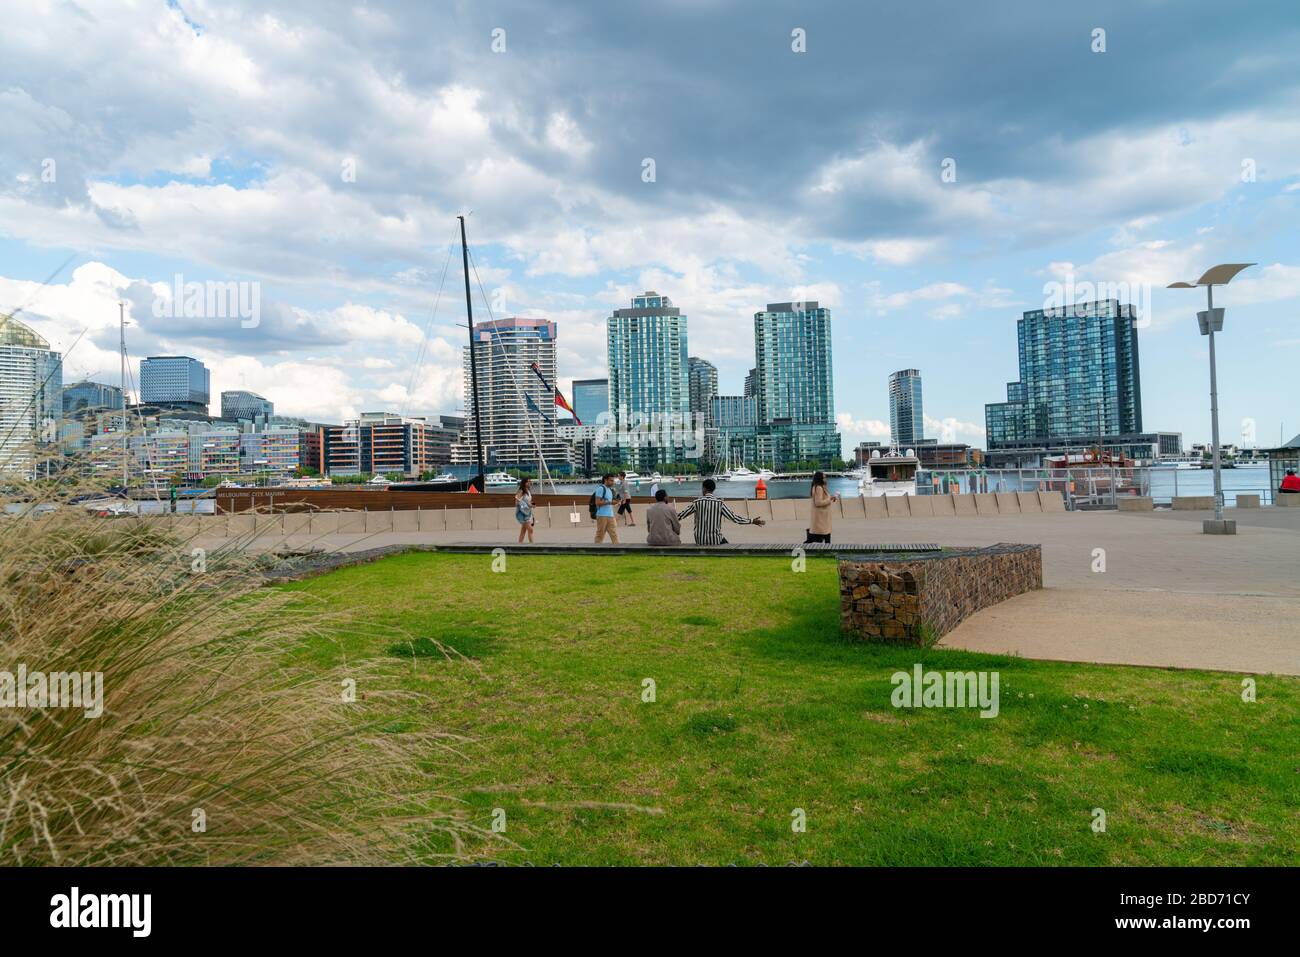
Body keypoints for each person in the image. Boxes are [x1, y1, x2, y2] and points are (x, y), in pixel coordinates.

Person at [677, 478, 765, 545]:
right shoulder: (719, 504)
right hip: (715, 540)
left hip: (700, 540)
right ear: (713, 489)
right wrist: (752, 521)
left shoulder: (696, 502)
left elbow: (681, 516)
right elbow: (735, 518)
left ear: (704, 488)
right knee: (728, 546)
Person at [805, 470, 840, 544]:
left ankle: (828, 551)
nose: (825, 479)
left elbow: (824, 499)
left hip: (823, 518)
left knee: (825, 536)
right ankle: (804, 548)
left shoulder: (821, 487)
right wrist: (829, 499)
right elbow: (818, 503)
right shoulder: (818, 488)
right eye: (824, 478)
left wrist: (831, 498)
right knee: (823, 536)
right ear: (819, 478)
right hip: (821, 518)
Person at [593, 473, 619, 544]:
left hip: (610, 515)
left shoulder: (610, 490)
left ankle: (618, 549)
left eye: (613, 480)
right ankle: (596, 550)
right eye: (611, 480)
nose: (612, 482)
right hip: (602, 515)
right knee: (600, 534)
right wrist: (610, 502)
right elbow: (597, 502)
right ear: (605, 480)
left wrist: (615, 502)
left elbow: (609, 502)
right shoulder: (601, 489)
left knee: (614, 534)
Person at [515, 477, 535, 544]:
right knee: (530, 529)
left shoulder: (528, 491)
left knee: (523, 530)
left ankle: (520, 544)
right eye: (528, 481)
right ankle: (532, 545)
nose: (529, 483)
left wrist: (532, 505)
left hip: (528, 512)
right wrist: (523, 504)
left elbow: (528, 501)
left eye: (530, 481)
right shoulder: (521, 491)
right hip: (522, 513)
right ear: (524, 483)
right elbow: (516, 502)